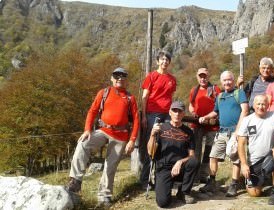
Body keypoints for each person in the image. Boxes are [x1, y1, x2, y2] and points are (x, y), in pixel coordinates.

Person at [66, 67, 140, 208]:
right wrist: (87, 129)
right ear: (112, 78)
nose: (119, 78)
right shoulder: (104, 93)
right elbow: (92, 111)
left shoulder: (130, 98)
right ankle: (75, 181)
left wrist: (132, 140)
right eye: (116, 76)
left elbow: (136, 120)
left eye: (123, 76)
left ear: (126, 80)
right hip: (104, 130)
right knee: (83, 143)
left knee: (110, 166)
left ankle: (104, 196)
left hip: (121, 135)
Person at [198, 70, 249, 197]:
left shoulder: (239, 93)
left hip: (235, 132)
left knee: (235, 159)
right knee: (213, 156)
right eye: (225, 80)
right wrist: (205, 117)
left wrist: (238, 131)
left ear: (233, 80)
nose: (227, 82)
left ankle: (233, 185)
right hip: (221, 131)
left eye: (229, 79)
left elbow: (245, 111)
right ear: (221, 82)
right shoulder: (220, 96)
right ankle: (212, 181)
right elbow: (215, 112)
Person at [237, 95, 274, 205]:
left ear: (268, 105)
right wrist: (244, 164)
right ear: (254, 105)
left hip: (270, 156)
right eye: (258, 104)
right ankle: (258, 180)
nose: (261, 106)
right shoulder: (247, 120)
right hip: (254, 161)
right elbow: (241, 143)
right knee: (254, 193)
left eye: (264, 104)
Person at [148, 101, 199, 207]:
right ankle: (166, 186)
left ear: (183, 114)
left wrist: (180, 162)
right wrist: (152, 135)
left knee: (194, 162)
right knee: (163, 203)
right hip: (164, 168)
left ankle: (183, 192)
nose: (177, 114)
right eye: (174, 111)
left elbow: (191, 155)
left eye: (180, 111)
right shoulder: (160, 128)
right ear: (169, 112)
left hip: (181, 168)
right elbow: (150, 152)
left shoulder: (189, 132)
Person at [140, 51, 176, 189]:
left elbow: (170, 97)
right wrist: (144, 116)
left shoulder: (172, 79)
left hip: (167, 115)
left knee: (166, 145)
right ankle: (145, 180)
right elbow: (145, 97)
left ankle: (163, 178)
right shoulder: (151, 76)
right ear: (157, 61)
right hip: (152, 114)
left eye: (167, 59)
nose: (164, 62)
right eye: (162, 59)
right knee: (151, 146)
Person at [188, 68, 221, 183]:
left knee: (209, 151)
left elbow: (220, 105)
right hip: (197, 125)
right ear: (197, 77)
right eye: (200, 76)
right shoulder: (194, 90)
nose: (203, 78)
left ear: (208, 76)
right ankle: (195, 176)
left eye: (205, 76)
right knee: (196, 150)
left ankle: (203, 175)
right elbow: (191, 105)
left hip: (212, 125)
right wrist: (193, 113)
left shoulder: (216, 89)